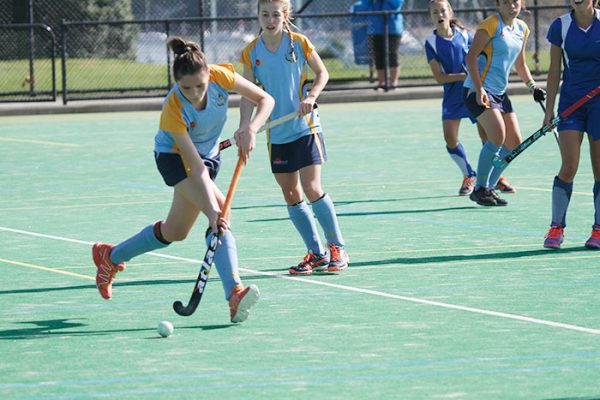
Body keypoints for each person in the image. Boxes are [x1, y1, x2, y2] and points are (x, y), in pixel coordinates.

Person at [92, 37, 275, 323]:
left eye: (200, 86)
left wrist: (250, 128)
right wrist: (213, 212)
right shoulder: (173, 109)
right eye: (186, 87)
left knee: (175, 232)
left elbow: (266, 99)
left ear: (208, 76)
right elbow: (195, 167)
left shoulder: (220, 75)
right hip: (175, 159)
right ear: (177, 83)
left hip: (209, 157)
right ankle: (234, 294)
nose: (194, 93)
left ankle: (111, 257)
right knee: (220, 212)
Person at [239, 0, 349, 275]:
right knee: (290, 193)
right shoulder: (251, 52)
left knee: (312, 187)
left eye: (275, 14)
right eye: (264, 14)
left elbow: (322, 73)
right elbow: (248, 94)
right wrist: (246, 127)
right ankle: (317, 254)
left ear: (285, 15)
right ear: (258, 16)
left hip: (306, 126)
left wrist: (311, 96)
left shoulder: (298, 43)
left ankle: (337, 247)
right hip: (277, 131)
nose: (270, 19)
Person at [425, 0, 515, 196]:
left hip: (473, 91)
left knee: (489, 137)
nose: (439, 15)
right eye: (434, 12)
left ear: (450, 13)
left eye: (442, 11)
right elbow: (439, 77)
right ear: (430, 17)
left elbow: (480, 56)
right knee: (450, 139)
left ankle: (495, 178)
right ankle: (468, 175)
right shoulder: (430, 42)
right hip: (452, 96)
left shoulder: (465, 35)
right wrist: (462, 75)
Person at [463, 0, 545, 206]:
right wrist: (479, 87)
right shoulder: (490, 25)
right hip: (478, 90)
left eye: (515, 1)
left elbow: (520, 63)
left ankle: (488, 187)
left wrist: (532, 86)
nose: (511, 6)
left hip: (500, 93)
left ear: (522, 4)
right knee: (497, 137)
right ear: (498, 4)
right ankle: (480, 188)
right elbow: (470, 58)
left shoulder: (522, 29)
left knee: (514, 144)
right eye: (506, 2)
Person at [542, 0, 600, 249]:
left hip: (599, 106)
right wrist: (549, 110)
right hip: (570, 106)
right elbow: (554, 69)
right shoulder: (561, 26)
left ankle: (598, 229)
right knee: (569, 166)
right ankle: (556, 227)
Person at [367, 0, 405, 89]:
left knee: (392, 55)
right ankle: (382, 82)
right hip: (376, 28)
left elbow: (396, 4)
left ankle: (393, 83)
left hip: (392, 27)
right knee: (379, 56)